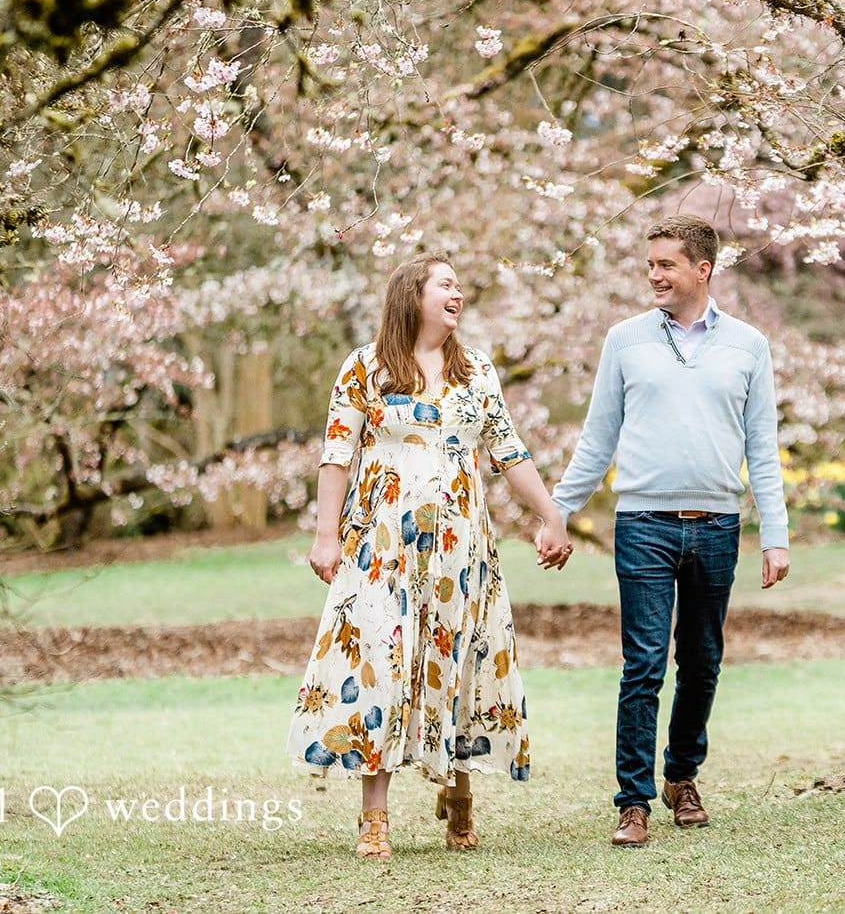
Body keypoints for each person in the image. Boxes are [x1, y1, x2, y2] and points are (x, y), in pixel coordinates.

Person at [287, 253, 572, 859]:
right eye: (445, 284)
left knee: (459, 660)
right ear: (412, 295)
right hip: (383, 545)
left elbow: (510, 453)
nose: (458, 293)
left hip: (460, 550)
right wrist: (325, 534)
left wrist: (550, 515)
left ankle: (459, 798)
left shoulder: (476, 372)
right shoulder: (365, 368)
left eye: (460, 285)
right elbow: (336, 456)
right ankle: (374, 817)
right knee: (382, 659)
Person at [543, 215, 790, 847]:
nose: (654, 274)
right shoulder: (626, 340)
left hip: (716, 526)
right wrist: (557, 511)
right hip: (642, 524)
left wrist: (775, 535)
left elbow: (762, 447)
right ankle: (634, 801)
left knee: (703, 660)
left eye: (666, 265)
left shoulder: (748, 346)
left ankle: (683, 776)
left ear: (702, 270)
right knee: (644, 663)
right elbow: (598, 439)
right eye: (650, 264)